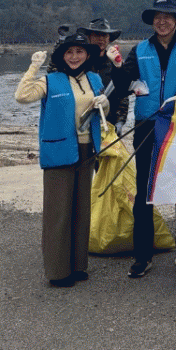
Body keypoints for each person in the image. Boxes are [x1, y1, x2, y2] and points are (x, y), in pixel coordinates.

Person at [110, 0, 176, 278]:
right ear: (152, 21)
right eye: (157, 17)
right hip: (146, 125)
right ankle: (142, 256)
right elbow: (122, 86)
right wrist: (117, 66)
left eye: (167, 16)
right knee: (144, 189)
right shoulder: (140, 49)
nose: (162, 21)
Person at [15, 32, 109, 287]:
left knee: (81, 208)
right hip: (59, 150)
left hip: (87, 149)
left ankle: (78, 266)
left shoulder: (94, 78)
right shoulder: (50, 80)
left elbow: (102, 111)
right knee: (58, 212)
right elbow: (21, 96)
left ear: (87, 54)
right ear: (62, 56)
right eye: (69, 52)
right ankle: (58, 272)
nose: (74, 56)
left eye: (79, 51)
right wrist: (33, 67)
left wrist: (105, 102)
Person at [76, 18, 129, 133]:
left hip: (110, 123)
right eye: (97, 35)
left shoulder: (116, 63)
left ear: (109, 38)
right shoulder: (78, 62)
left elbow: (123, 95)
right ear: (89, 37)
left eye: (104, 35)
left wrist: (120, 121)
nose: (101, 39)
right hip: (83, 122)